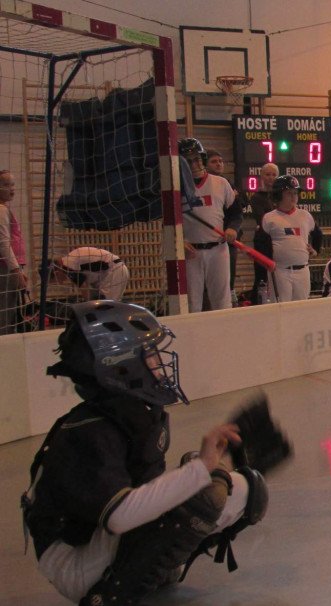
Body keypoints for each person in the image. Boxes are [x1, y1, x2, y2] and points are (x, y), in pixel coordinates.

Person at [22, 300, 268, 605]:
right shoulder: (89, 431)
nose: (159, 362)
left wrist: (207, 466)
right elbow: (119, 517)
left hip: (100, 538)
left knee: (243, 488)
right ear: (121, 364)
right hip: (74, 558)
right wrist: (201, 468)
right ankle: (107, 592)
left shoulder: (131, 411)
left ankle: (148, 568)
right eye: (149, 354)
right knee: (203, 495)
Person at [179, 138, 240, 311]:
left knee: (222, 300)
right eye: (188, 161)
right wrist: (179, 242)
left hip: (218, 250)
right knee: (192, 303)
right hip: (191, 254)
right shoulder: (177, 188)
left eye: (197, 159)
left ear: (203, 159)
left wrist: (232, 229)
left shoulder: (221, 183)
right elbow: (169, 224)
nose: (194, 164)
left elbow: (236, 213)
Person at [261, 175, 317, 302]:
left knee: (301, 309)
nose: (293, 197)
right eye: (289, 193)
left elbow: (317, 234)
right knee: (281, 308)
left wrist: (314, 248)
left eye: (295, 193)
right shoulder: (269, 218)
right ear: (279, 195)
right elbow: (262, 244)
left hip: (302, 270)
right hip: (280, 271)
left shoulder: (305, 215)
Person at [205, 149, 241, 299]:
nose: (219, 164)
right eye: (214, 161)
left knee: (226, 282)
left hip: (226, 241)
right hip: (202, 241)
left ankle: (230, 300)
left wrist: (232, 228)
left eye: (220, 161)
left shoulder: (226, 184)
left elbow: (238, 208)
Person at [0, 169, 27, 335]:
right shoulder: (1, 210)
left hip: (8, 268)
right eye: (6, 184)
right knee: (5, 312)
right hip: (6, 268)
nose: (11, 188)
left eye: (13, 184)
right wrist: (16, 270)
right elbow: (3, 243)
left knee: (8, 310)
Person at [49, 247, 130, 301]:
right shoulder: (70, 260)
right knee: (105, 305)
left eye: (57, 280)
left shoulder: (68, 266)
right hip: (112, 270)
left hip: (114, 271)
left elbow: (84, 289)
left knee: (108, 307)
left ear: (56, 272)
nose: (61, 282)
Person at [248, 163, 279, 303]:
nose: (271, 178)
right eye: (267, 174)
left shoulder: (280, 197)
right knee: (261, 276)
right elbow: (263, 219)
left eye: (274, 175)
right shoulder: (257, 198)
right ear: (261, 176)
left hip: (279, 240)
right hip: (263, 241)